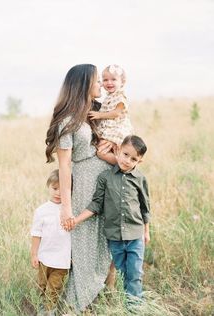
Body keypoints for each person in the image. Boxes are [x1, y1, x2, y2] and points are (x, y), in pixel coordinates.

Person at [45, 64, 113, 313]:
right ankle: (77, 302)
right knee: (85, 242)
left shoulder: (93, 113)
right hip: (84, 183)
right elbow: (64, 167)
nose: (100, 86)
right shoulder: (67, 121)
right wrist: (66, 206)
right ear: (84, 84)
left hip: (106, 180)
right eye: (96, 81)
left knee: (106, 239)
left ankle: (103, 296)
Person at [71, 135, 151, 310]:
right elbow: (96, 204)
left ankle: (134, 308)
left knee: (135, 273)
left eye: (134, 159)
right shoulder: (105, 177)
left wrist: (146, 231)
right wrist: (76, 219)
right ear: (118, 150)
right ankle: (125, 303)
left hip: (135, 234)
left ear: (140, 161)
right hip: (114, 237)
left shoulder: (140, 179)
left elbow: (145, 207)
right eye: (125, 154)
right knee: (122, 272)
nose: (128, 161)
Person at [30, 169, 71, 316]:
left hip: (62, 260)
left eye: (62, 190)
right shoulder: (41, 210)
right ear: (49, 187)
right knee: (41, 286)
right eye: (54, 188)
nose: (58, 193)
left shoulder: (70, 210)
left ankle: (49, 311)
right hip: (44, 258)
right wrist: (34, 254)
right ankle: (40, 308)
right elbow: (36, 234)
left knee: (54, 288)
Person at [88, 64, 134, 163]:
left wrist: (99, 115)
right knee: (102, 150)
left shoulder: (120, 96)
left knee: (101, 152)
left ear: (122, 82)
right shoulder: (109, 97)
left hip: (117, 130)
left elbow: (116, 113)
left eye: (113, 79)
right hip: (109, 130)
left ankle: (123, 163)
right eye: (105, 80)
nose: (109, 82)